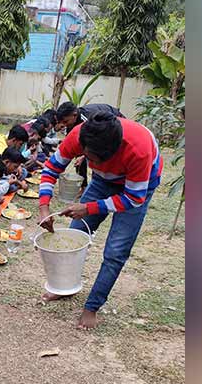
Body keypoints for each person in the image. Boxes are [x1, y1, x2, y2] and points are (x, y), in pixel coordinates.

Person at [38, 113, 163, 330]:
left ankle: (92, 306)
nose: (92, 163)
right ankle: (66, 287)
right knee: (76, 234)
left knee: (115, 252)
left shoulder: (138, 149)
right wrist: (43, 208)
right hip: (103, 182)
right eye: (88, 158)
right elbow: (50, 169)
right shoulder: (79, 135)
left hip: (138, 187)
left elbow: (133, 198)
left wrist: (88, 207)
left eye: (96, 160)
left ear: (112, 152)